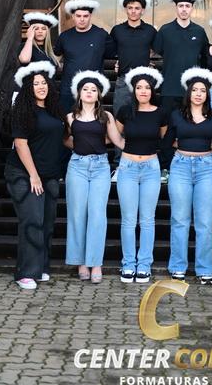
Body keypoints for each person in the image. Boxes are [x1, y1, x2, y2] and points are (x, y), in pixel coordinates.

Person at [4, 61, 65, 290]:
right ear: (28, 88)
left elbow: (63, 139)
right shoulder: (23, 111)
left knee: (47, 222)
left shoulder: (53, 111)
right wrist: (33, 175)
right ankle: (25, 273)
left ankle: (40, 267)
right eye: (36, 83)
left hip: (49, 174)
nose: (41, 86)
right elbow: (21, 144)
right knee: (32, 220)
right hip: (23, 173)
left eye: (44, 83)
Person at [64, 70, 124, 283]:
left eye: (93, 90)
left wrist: (141, 151)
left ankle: (95, 262)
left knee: (97, 214)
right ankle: (80, 261)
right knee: (77, 214)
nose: (89, 92)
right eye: (85, 89)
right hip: (77, 166)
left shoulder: (106, 116)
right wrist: (80, 147)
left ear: (99, 94)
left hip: (100, 167)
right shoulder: (70, 117)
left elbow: (117, 140)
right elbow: (66, 140)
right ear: (79, 93)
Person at [167, 67, 212, 285]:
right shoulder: (176, 115)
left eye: (203, 91)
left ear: (207, 94)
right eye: (195, 90)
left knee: (205, 221)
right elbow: (167, 141)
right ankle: (178, 267)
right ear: (188, 93)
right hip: (180, 166)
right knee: (179, 219)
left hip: (207, 168)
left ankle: (205, 269)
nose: (199, 94)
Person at [115, 66, 167, 284]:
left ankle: (144, 265)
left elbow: (163, 139)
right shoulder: (125, 111)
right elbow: (115, 135)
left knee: (147, 219)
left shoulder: (160, 113)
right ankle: (128, 264)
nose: (143, 91)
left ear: (152, 90)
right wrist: (126, 151)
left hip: (151, 168)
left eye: (147, 87)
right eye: (139, 87)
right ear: (133, 90)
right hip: (127, 168)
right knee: (128, 219)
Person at [153, 0, 209, 179]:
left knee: (190, 128)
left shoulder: (199, 32)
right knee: (167, 130)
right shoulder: (165, 30)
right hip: (169, 88)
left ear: (192, 8)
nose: (184, 9)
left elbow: (205, 58)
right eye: (181, 6)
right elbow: (156, 51)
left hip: (192, 92)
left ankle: (187, 167)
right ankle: (166, 167)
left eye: (187, 6)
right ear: (176, 8)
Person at [110, 0, 157, 180]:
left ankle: (144, 163)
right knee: (119, 122)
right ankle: (119, 164)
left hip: (144, 83)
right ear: (125, 9)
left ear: (143, 10)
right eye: (130, 8)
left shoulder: (151, 31)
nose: (134, 11)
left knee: (143, 122)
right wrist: (116, 64)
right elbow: (110, 51)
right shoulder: (117, 30)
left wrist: (151, 63)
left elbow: (158, 50)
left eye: (137, 8)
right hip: (123, 81)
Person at [54, 0, 115, 113]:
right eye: (78, 16)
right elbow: (56, 56)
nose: (82, 19)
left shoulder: (101, 35)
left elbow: (113, 54)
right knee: (67, 119)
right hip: (68, 88)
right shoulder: (64, 36)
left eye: (85, 16)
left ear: (90, 16)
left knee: (92, 120)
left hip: (92, 89)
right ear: (73, 16)